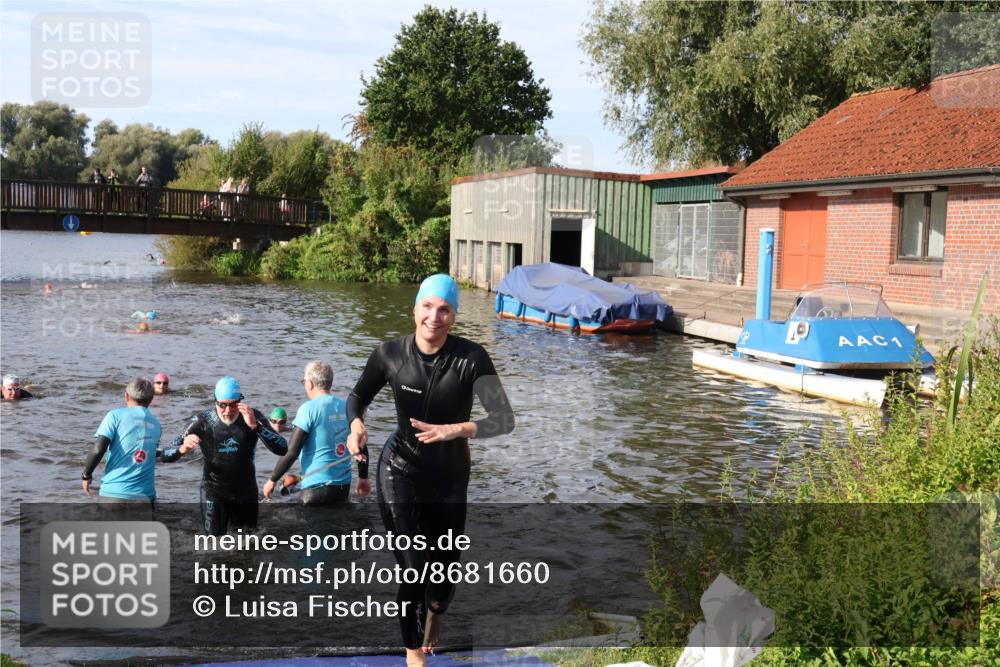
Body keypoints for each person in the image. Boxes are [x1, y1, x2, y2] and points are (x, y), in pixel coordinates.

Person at [346, 274, 515, 666]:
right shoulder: (389, 354)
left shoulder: (472, 359)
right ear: (415, 309)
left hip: (450, 476)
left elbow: (504, 419)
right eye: (427, 306)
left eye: (444, 310)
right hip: (400, 467)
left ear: (454, 316)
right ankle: (412, 655)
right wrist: (355, 424)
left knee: (441, 577)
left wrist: (459, 429)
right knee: (413, 564)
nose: (434, 317)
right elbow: (357, 397)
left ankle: (436, 613)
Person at [166, 376, 287, 535]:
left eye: (233, 405)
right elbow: (166, 454)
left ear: (240, 401)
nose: (228, 410)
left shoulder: (253, 417)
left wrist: (256, 427)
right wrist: (182, 449)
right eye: (222, 405)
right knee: (213, 544)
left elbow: (283, 448)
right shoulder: (201, 421)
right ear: (215, 401)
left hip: (245, 490)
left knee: (248, 545)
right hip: (214, 490)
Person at [263, 361, 370, 504]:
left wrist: (272, 480)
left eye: (304, 381)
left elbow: (292, 452)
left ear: (310, 384)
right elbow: (361, 444)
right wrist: (363, 478)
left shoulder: (308, 409)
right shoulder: (347, 407)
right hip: (342, 490)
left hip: (315, 490)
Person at [81, 377, 194, 504]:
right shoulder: (156, 424)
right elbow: (155, 455)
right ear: (151, 399)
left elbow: (98, 449)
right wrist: (181, 450)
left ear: (126, 396)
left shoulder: (114, 416)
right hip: (145, 496)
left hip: (114, 493)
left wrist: (87, 475)